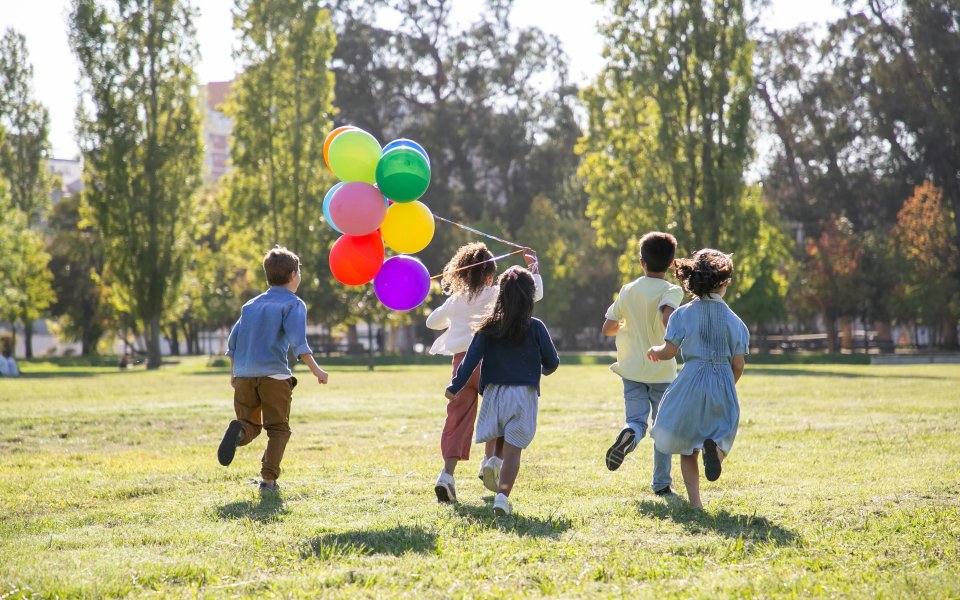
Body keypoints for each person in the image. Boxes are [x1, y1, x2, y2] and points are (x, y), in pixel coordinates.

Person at [427, 243, 543, 503]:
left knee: (457, 420)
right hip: (490, 363)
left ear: (462, 273)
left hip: (461, 367)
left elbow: (431, 322)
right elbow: (533, 294)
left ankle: (447, 475)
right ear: (490, 274)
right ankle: (490, 462)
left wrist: (454, 311)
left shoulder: (456, 300)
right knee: (499, 415)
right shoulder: (495, 294)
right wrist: (533, 267)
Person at [445, 266, 559, 516]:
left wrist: (455, 386)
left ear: (501, 295)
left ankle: (493, 461)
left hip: (494, 394)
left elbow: (470, 360)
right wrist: (542, 370)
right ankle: (502, 497)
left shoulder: (488, 327)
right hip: (523, 395)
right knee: (514, 450)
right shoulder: (536, 326)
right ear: (530, 297)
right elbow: (552, 362)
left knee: (499, 435)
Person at [217, 246, 329, 494]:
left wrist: (234, 375)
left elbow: (232, 343)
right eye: (299, 272)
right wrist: (317, 371)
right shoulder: (293, 304)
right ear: (292, 275)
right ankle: (268, 481)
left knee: (250, 425)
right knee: (278, 429)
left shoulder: (251, 305)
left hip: (244, 376)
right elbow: (299, 343)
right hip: (274, 376)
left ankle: (239, 431)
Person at [647, 249, 749, 510]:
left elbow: (669, 352)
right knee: (723, 433)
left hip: (691, 380)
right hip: (722, 381)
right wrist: (728, 384)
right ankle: (715, 453)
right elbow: (738, 364)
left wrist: (654, 351)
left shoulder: (681, 314)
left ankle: (696, 504)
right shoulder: (736, 322)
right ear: (724, 282)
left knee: (686, 446)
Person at [601, 232, 683, 497]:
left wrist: (629, 326)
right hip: (661, 369)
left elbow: (608, 327)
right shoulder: (672, 290)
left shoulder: (628, 289)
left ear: (641, 262)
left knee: (636, 421)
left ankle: (629, 434)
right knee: (662, 428)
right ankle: (661, 484)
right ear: (671, 264)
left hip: (632, 368)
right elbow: (667, 316)